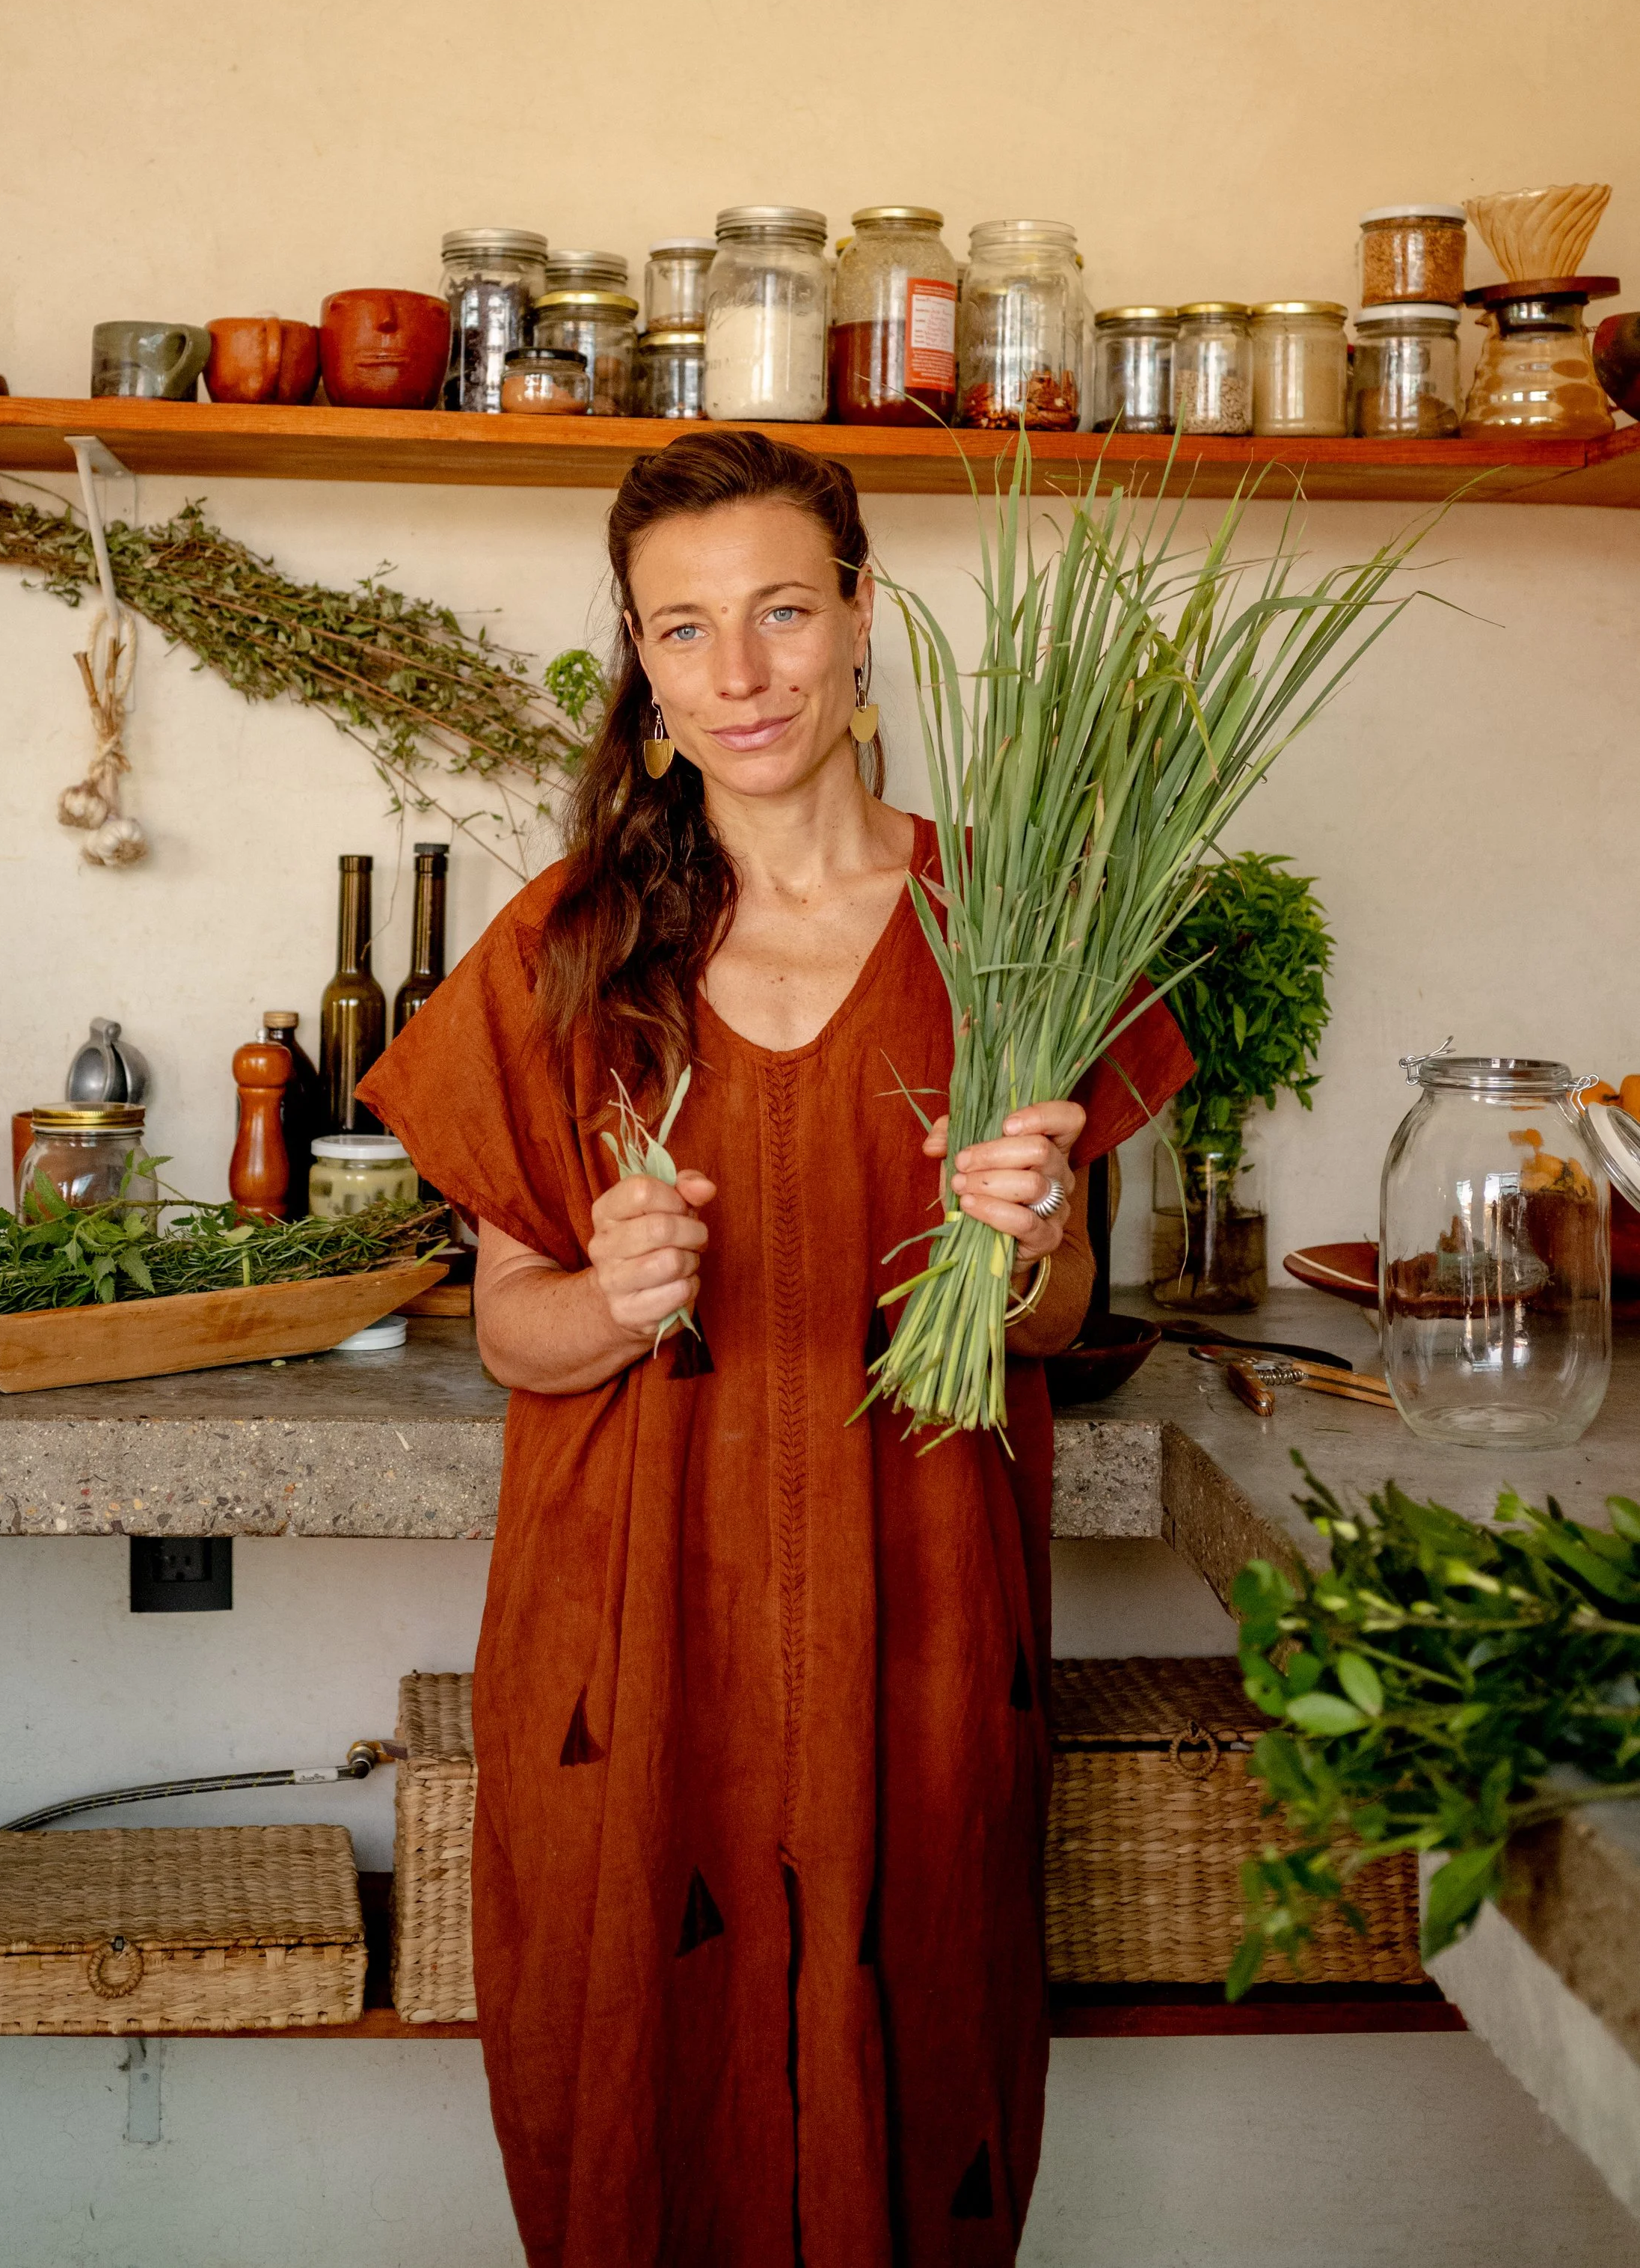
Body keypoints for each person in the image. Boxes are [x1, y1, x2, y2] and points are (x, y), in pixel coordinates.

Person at [360, 426, 1191, 2268]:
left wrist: (1033, 1242)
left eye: (779, 612)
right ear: (640, 664)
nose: (737, 676)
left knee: (922, 2087)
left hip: (925, 1616)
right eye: (682, 630)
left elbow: (1054, 1321)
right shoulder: (566, 949)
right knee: (641, 2111)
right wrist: (620, 1298)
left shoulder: (1016, 923)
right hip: (633, 1639)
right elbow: (515, 1332)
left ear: (860, 619)